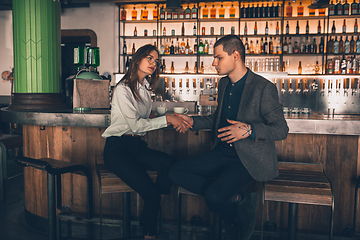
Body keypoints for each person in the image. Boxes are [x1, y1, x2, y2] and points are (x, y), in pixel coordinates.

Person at [169, 35, 289, 240]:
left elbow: (281, 129)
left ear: (236, 55)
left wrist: (249, 130)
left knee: (214, 196)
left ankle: (233, 221)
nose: (213, 63)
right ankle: (236, 199)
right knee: (174, 171)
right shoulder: (224, 84)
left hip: (247, 160)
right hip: (221, 153)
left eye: (218, 58)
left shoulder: (263, 88)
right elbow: (218, 119)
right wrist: (192, 122)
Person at [102, 44, 187, 240]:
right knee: (152, 195)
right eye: (149, 58)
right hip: (117, 150)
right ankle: (150, 232)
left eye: (156, 61)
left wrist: (168, 116)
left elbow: (144, 115)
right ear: (137, 59)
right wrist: (167, 120)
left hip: (136, 147)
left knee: (171, 165)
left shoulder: (145, 86)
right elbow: (135, 126)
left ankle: (152, 207)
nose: (153, 64)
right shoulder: (122, 89)